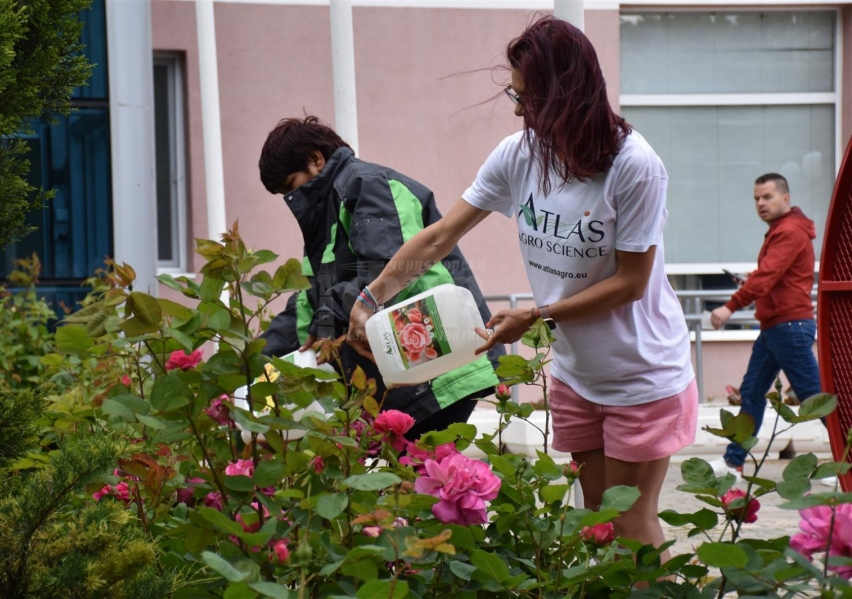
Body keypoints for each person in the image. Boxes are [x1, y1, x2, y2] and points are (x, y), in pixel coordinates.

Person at [346, 16, 697, 555]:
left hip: (641, 372)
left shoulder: (634, 166)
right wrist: (372, 298)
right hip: (579, 374)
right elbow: (440, 236)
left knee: (628, 523)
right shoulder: (520, 154)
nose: (517, 110)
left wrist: (536, 316)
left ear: (565, 96)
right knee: (595, 525)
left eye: (527, 98)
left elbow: (631, 282)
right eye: (516, 95)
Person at [257, 116, 504, 441]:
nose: (292, 200)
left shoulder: (367, 184)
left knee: (422, 483)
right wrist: (257, 358)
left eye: (292, 185)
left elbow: (390, 262)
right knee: (415, 485)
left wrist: (328, 318)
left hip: (441, 368)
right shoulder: (326, 223)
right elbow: (310, 305)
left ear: (316, 159)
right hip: (406, 378)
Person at [708, 173, 823, 477]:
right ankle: (733, 461)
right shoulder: (782, 230)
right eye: (757, 198)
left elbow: (768, 274)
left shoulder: (789, 231)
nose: (760, 203)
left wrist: (730, 305)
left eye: (767, 196)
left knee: (815, 397)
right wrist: (754, 279)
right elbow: (774, 274)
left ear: (786, 198)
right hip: (776, 326)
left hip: (789, 327)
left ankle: (846, 453)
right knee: (752, 392)